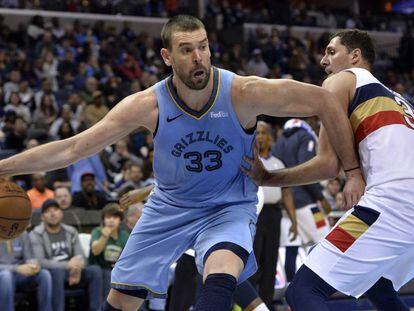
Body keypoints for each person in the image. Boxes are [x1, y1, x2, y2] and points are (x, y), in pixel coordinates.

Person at [0, 15, 361, 311]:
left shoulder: (243, 92)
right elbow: (73, 148)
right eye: (186, 50)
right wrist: (3, 168)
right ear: (167, 57)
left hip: (228, 206)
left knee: (220, 275)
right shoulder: (147, 104)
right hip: (168, 207)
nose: (198, 57)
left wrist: (352, 171)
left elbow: (325, 100)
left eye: (203, 47)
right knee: (122, 299)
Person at [242, 29, 414, 311]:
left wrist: (268, 177)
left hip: (392, 204)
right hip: (404, 207)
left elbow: (328, 164)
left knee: (301, 291)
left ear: (355, 56)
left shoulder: (342, 80)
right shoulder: (400, 99)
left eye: (331, 52)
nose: (324, 61)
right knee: (378, 286)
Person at [272, 117, 330, 283]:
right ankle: (325, 285)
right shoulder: (306, 136)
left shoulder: (280, 140)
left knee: (292, 247)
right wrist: (320, 196)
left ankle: (292, 290)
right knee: (325, 240)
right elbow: (307, 169)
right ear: (309, 121)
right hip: (307, 202)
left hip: (286, 204)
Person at [249, 121, 297, 310]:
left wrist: (294, 221)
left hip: (274, 215)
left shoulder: (278, 163)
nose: (260, 137)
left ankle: (266, 305)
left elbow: (286, 194)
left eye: (263, 133)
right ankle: (248, 305)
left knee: (270, 262)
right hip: (254, 214)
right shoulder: (248, 161)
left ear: (269, 137)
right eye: (257, 133)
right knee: (252, 263)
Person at [29, 199, 103, 311]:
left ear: (61, 213)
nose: (53, 213)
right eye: (48, 211)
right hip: (55, 272)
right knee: (57, 273)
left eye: (55, 210)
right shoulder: (36, 234)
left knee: (95, 271)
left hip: (73, 271)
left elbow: (81, 256)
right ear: (42, 217)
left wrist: (77, 268)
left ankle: (96, 309)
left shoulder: (71, 231)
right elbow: (40, 261)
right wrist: (67, 265)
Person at [0, 232, 52, 311]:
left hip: (20, 275)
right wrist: (16, 268)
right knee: (6, 276)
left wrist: (34, 266)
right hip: (3, 276)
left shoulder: (21, 233)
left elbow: (29, 258)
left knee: (44, 274)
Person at [89, 203, 130, 300]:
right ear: (103, 219)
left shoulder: (124, 235)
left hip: (118, 270)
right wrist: (104, 237)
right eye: (108, 217)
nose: (111, 220)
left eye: (115, 217)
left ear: (120, 220)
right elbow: (95, 251)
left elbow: (129, 257)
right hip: (100, 268)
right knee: (108, 274)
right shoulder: (97, 231)